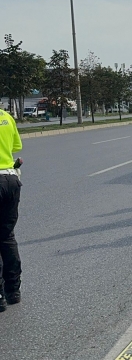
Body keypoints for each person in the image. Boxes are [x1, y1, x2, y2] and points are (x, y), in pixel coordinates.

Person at [0, 108, 22, 311]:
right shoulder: (6, 117)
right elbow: (16, 146)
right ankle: (13, 291)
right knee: (6, 236)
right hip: (10, 179)